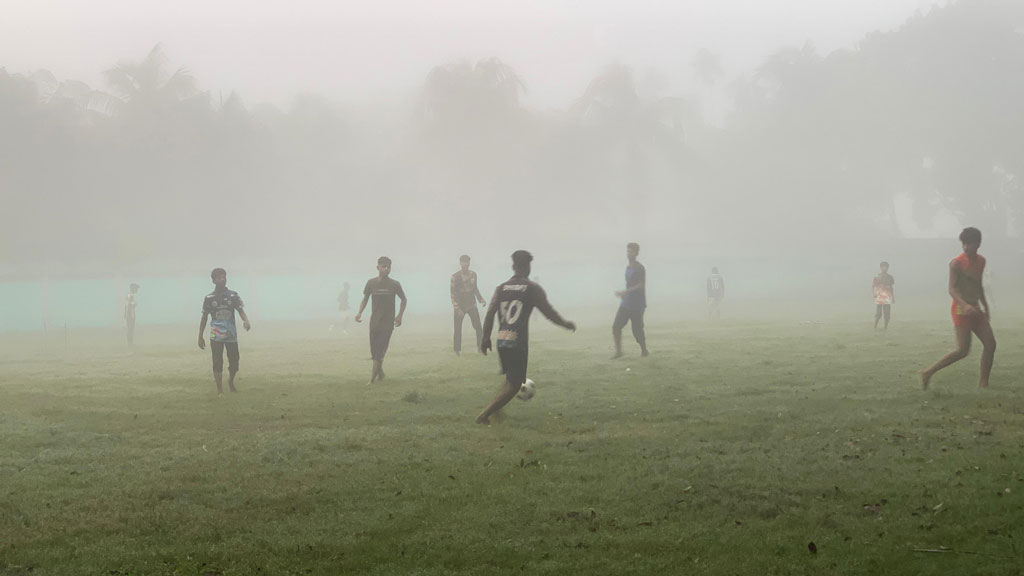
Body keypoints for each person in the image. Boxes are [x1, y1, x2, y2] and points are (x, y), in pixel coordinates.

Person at [477, 250, 575, 424]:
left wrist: (485, 338)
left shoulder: (501, 288)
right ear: (528, 267)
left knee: (510, 379)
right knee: (515, 384)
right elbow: (548, 311)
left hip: (502, 339)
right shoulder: (532, 289)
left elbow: (490, 313)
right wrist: (565, 324)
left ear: (513, 266)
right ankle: (484, 416)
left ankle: (496, 410)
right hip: (517, 341)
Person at [920, 227, 996, 389]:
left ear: (978, 244)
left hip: (976, 309)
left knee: (991, 344)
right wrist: (965, 305)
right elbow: (952, 289)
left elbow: (978, 285)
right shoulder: (956, 263)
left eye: (970, 243)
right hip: (961, 310)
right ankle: (927, 372)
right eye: (964, 244)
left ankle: (984, 383)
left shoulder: (981, 261)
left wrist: (985, 306)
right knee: (962, 350)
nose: (966, 247)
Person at [197, 268, 251, 395]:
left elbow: (240, 311)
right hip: (216, 335)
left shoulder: (233, 295)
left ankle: (231, 381)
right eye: (219, 277)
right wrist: (200, 336)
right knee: (217, 361)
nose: (222, 279)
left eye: (224, 277)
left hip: (231, 335)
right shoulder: (209, 298)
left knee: (234, 362)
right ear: (214, 281)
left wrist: (246, 320)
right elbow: (204, 317)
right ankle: (219, 390)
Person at [355, 257, 407, 384]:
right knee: (374, 352)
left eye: (389, 267)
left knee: (379, 352)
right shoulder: (371, 283)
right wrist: (359, 312)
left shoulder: (394, 284)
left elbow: (404, 300)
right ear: (378, 267)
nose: (386, 269)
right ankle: (381, 373)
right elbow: (365, 299)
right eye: (384, 266)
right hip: (374, 323)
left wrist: (400, 315)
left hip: (387, 324)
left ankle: (371, 380)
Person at [612, 242, 648, 358]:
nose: (628, 253)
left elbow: (641, 285)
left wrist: (625, 292)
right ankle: (618, 352)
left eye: (631, 251)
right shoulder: (628, 267)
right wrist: (624, 294)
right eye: (627, 251)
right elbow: (629, 284)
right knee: (616, 326)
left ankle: (644, 350)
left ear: (636, 253)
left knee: (637, 330)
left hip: (637, 304)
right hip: (626, 303)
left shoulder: (640, 268)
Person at [451, 254, 486, 355]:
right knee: (457, 329)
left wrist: (481, 299)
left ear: (469, 263)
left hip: (471, 304)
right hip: (460, 305)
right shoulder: (455, 277)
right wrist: (457, 308)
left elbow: (475, 288)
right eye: (463, 262)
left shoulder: (473, 274)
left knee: (478, 327)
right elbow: (453, 294)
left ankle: (480, 347)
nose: (465, 264)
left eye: (467, 262)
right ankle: (457, 350)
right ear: (460, 263)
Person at [872, 261, 895, 330]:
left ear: (888, 268)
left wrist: (893, 297)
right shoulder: (877, 277)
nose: (884, 268)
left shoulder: (890, 277)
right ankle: (875, 326)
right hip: (879, 296)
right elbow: (873, 286)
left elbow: (891, 287)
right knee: (878, 314)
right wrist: (874, 293)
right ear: (881, 267)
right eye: (883, 266)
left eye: (886, 266)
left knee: (887, 314)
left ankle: (885, 327)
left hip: (887, 296)